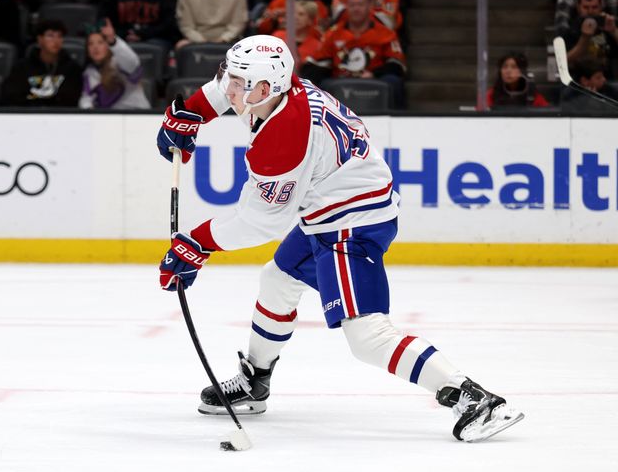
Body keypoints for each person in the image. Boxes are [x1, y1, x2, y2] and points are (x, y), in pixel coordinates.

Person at [154, 34, 525, 442]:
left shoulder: (283, 136)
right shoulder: (278, 91)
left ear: (266, 88)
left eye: (241, 84)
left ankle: (474, 397)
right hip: (329, 210)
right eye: (233, 78)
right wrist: (192, 112)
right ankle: (255, 380)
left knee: (367, 336)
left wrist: (197, 243)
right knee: (278, 279)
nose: (230, 90)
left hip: (350, 223)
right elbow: (223, 88)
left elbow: (262, 221)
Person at [303, 0, 406, 107]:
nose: (356, 9)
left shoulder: (386, 34)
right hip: (340, 82)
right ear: (346, 7)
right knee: (321, 84)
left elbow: (397, 65)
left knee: (394, 82)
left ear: (370, 6)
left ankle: (396, 117)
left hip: (374, 81)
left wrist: (374, 74)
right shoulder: (332, 34)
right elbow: (316, 65)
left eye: (360, 4)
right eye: (352, 5)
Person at [1, 19, 83, 106]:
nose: (56, 40)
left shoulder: (72, 69)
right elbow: (11, 96)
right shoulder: (22, 68)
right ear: (40, 39)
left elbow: (73, 97)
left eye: (59, 36)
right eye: (50, 36)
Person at [78, 18, 150, 109]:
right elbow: (86, 98)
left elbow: (132, 63)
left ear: (108, 45)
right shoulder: (90, 72)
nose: (95, 47)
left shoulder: (119, 62)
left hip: (136, 112)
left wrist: (113, 42)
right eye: (90, 44)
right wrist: (87, 110)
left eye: (100, 42)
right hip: (109, 116)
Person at [561, 0, 618, 76]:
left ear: (601, 6)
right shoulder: (571, 28)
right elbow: (564, 60)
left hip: (607, 77)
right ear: (578, 7)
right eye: (586, 7)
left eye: (594, 7)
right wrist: (585, 38)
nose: (590, 11)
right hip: (580, 78)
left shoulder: (608, 23)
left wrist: (614, 31)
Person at [271, 0, 323, 71]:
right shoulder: (277, 37)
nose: (295, 17)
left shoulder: (316, 46)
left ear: (310, 20)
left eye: (301, 14)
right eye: (292, 13)